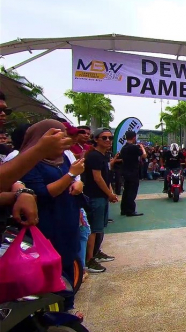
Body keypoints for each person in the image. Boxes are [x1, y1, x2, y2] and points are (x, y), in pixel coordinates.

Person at [20, 120, 85, 315]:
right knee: (49, 268)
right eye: (60, 135)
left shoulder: (63, 159)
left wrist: (77, 182)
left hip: (68, 217)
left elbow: (72, 180)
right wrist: (71, 175)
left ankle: (68, 307)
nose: (65, 139)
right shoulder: (29, 161)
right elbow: (42, 193)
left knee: (67, 262)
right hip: (46, 224)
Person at [82, 128, 118, 273]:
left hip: (101, 196)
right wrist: (109, 193)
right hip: (95, 196)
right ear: (96, 139)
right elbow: (97, 178)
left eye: (110, 138)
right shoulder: (95, 157)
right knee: (94, 228)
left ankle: (96, 252)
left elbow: (106, 176)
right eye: (104, 138)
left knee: (99, 227)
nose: (108, 140)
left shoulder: (103, 156)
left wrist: (110, 192)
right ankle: (89, 260)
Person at [119, 131, 146, 216]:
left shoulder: (124, 148)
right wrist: (142, 147)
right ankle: (130, 210)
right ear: (134, 137)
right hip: (133, 172)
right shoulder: (134, 147)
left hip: (125, 171)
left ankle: (124, 209)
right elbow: (144, 155)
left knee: (126, 191)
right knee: (132, 192)